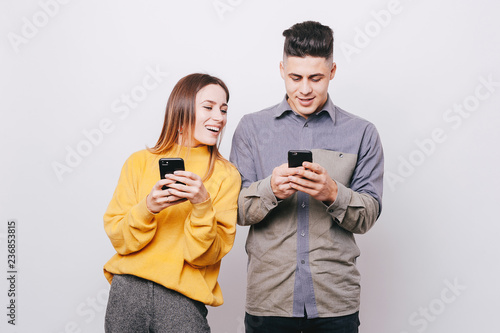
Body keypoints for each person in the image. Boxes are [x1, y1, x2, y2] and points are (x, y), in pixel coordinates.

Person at [230, 21, 384, 333]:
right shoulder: (251, 129)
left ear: (333, 71)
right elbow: (236, 211)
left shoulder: (362, 133)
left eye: (316, 78)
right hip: (269, 299)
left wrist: (331, 192)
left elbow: (367, 217)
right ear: (281, 70)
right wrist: (271, 189)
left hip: (335, 302)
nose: (304, 89)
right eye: (295, 77)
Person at [103, 73, 241, 333]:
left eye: (223, 109)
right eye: (209, 107)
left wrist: (202, 205)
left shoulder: (226, 175)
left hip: (182, 300)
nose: (220, 117)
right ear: (182, 109)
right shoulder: (139, 162)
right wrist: (148, 208)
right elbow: (119, 239)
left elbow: (204, 257)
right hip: (127, 292)